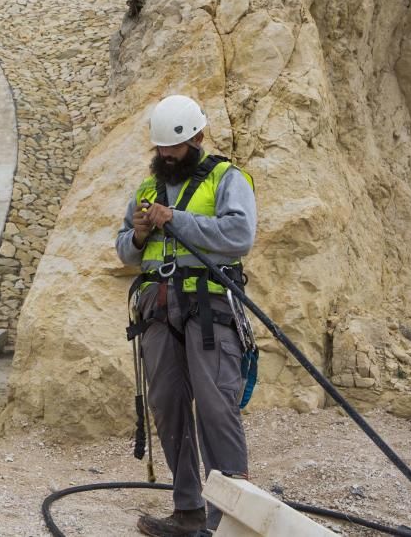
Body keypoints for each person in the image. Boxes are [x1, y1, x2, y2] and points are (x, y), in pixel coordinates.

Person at [115, 95, 257, 536]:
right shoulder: (145, 188)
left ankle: (231, 521)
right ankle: (189, 510)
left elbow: (239, 234)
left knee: (216, 406)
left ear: (198, 137)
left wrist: (176, 219)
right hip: (158, 308)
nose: (166, 156)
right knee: (168, 405)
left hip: (209, 307)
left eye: (173, 149)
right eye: (160, 149)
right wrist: (137, 235)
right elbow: (123, 250)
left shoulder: (227, 178)